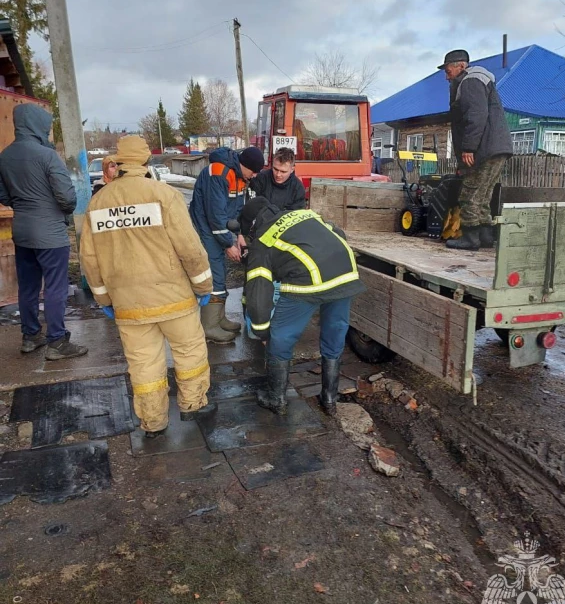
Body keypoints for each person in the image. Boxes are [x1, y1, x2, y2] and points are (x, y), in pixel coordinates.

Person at [79, 135, 217, 437]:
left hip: (128, 306)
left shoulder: (98, 202)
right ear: (145, 161)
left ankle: (153, 422)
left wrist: (105, 299)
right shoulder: (163, 194)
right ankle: (192, 405)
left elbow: (89, 259)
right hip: (174, 299)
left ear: (118, 161)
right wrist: (204, 286)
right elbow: (190, 248)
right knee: (189, 352)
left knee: (143, 365)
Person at [240, 197, 364, 417]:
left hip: (308, 281)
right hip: (346, 272)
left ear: (251, 226)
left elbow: (258, 293)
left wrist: (262, 331)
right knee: (334, 333)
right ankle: (329, 398)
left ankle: (276, 398)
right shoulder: (303, 213)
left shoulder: (262, 241)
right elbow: (338, 233)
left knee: (282, 336)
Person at [0, 103, 88, 359]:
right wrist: (58, 210)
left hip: (23, 231)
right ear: (37, 126)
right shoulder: (47, 156)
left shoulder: (4, 157)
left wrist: (22, 205)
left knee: (27, 288)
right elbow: (67, 197)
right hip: (50, 234)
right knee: (55, 288)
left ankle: (30, 337)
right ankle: (57, 342)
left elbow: (3, 194)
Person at [439, 49, 513, 251]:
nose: (447, 77)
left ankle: (470, 239)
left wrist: (468, 148)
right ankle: (485, 238)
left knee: (469, 194)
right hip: (497, 147)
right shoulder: (480, 81)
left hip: (484, 149)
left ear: (461, 66)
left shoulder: (471, 82)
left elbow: (476, 116)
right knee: (483, 196)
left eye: (448, 71)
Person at [189, 145, 264, 343]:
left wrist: (238, 234)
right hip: (205, 227)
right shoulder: (219, 173)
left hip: (218, 227)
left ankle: (219, 319)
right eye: (253, 171)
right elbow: (216, 215)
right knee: (215, 273)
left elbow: (236, 210)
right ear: (244, 165)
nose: (254, 176)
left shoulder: (240, 176)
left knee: (221, 271)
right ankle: (209, 326)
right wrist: (227, 244)